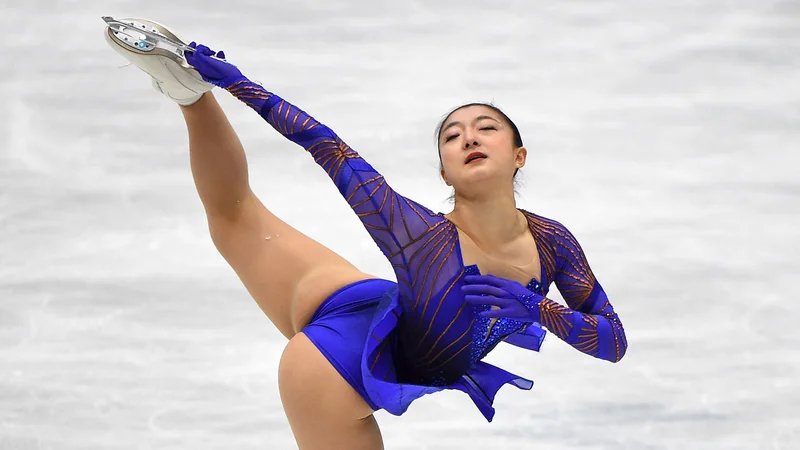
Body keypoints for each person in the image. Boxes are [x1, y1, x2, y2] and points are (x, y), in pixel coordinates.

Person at [103, 18, 627, 450]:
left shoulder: (554, 243)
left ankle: (183, 94)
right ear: (444, 172)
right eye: (452, 135)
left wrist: (539, 310)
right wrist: (233, 81)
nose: (468, 136)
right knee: (235, 216)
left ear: (519, 156)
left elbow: (613, 342)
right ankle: (194, 95)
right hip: (331, 372)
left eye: (485, 127)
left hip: (358, 301)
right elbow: (325, 144)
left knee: (234, 219)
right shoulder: (415, 233)